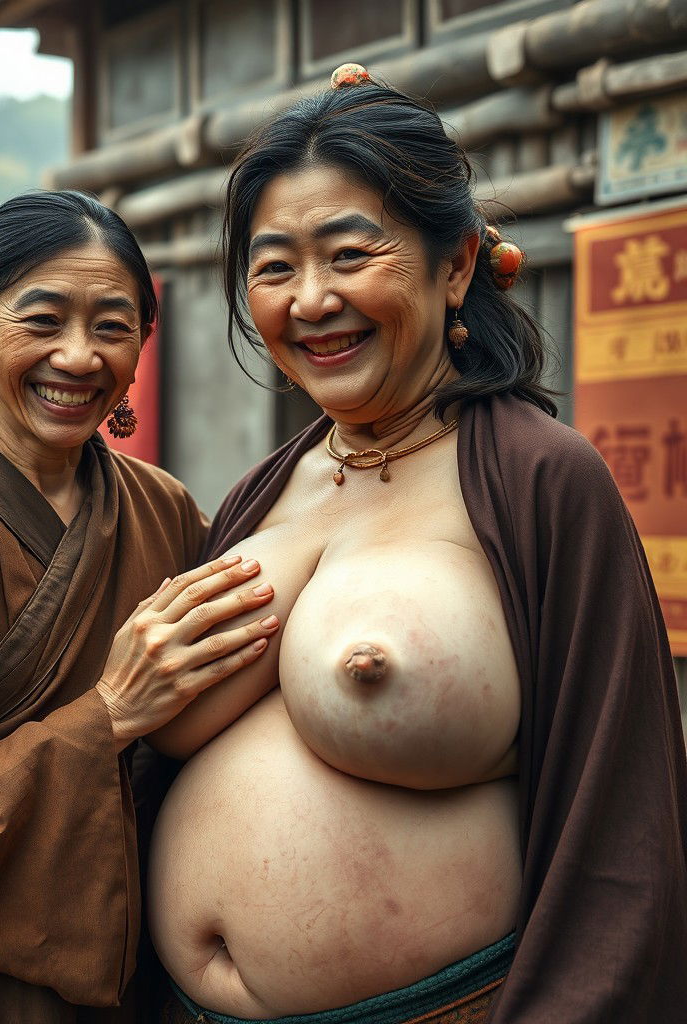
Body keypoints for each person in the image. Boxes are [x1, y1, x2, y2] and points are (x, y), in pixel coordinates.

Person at [146, 66, 687, 1023]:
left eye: (350, 255)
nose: (310, 300)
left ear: (456, 265)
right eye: (273, 267)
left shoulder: (539, 480)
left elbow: (624, 816)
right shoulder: (257, 495)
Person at [0, 191, 282, 1024]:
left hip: (133, 970)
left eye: (112, 325)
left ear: (143, 341)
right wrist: (109, 714)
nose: (78, 356)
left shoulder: (162, 510)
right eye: (43, 320)